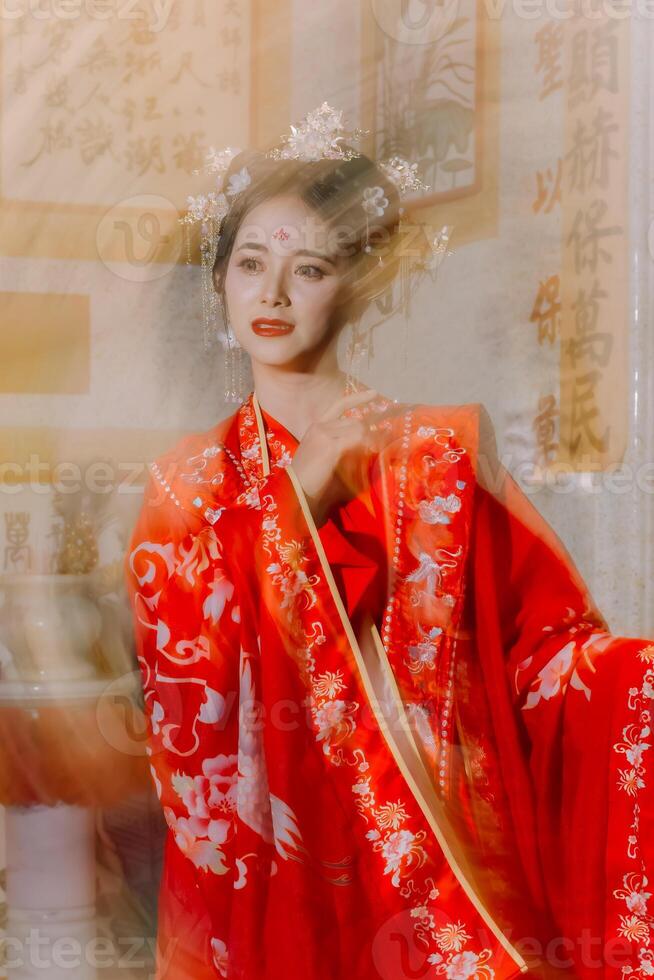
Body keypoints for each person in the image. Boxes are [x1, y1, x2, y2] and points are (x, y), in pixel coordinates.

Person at [124, 105, 654, 979]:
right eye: (251, 263)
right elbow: (188, 704)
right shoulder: (187, 483)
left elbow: (544, 657)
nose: (275, 293)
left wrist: (632, 681)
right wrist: (300, 498)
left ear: (355, 284)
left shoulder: (439, 453)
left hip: (448, 881)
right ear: (221, 281)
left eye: (310, 267)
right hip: (281, 887)